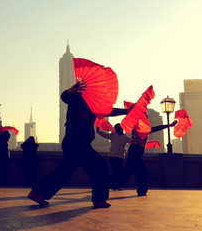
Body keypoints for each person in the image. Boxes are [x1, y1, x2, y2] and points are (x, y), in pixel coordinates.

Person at [27, 80, 127, 208]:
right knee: (100, 167)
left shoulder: (93, 103)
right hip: (77, 142)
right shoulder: (78, 97)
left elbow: (108, 110)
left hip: (75, 142)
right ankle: (99, 200)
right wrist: (70, 90)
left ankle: (37, 193)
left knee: (64, 171)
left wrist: (127, 111)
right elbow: (65, 97)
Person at [117, 118, 177, 196]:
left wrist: (169, 125)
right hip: (135, 150)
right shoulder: (137, 127)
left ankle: (139, 189)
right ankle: (114, 184)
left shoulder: (144, 128)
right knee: (133, 170)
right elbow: (153, 129)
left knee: (136, 170)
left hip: (138, 151)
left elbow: (154, 128)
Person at [96, 124, 132, 190]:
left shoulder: (121, 136)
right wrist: (98, 131)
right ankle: (115, 185)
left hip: (117, 157)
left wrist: (98, 131)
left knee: (116, 171)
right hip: (116, 156)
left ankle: (111, 185)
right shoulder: (118, 136)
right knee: (117, 171)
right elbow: (105, 135)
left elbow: (105, 135)